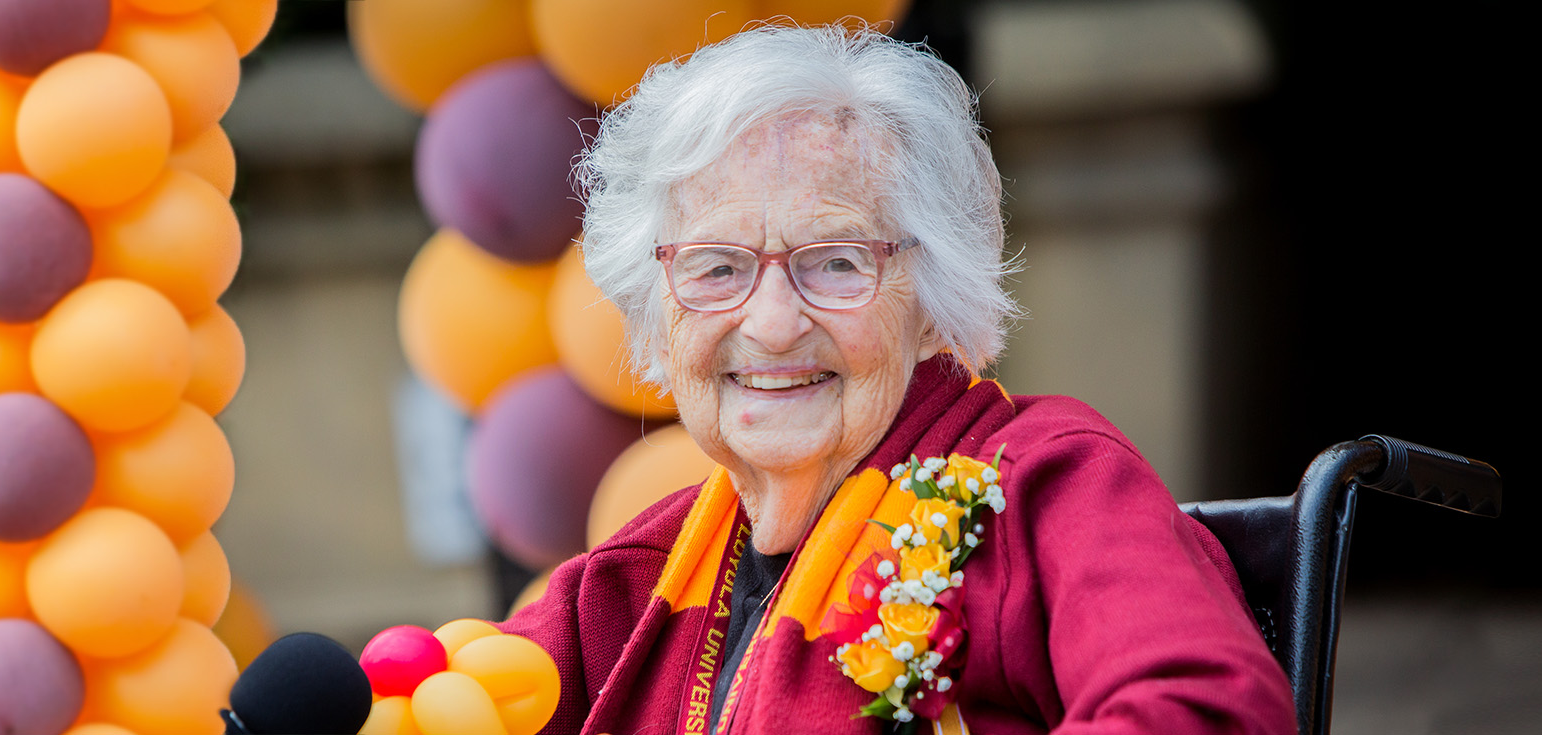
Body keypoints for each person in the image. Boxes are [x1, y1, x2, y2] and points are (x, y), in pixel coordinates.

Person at [498, 25, 1294, 735]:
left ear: (934, 299)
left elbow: (1205, 706)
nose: (773, 322)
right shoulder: (630, 584)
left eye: (837, 263)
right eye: (716, 268)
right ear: (658, 309)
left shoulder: (1046, 484)